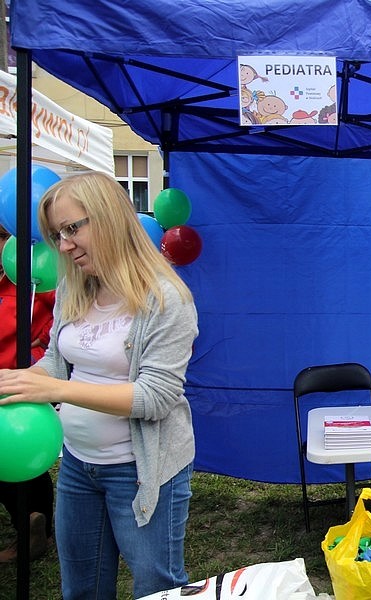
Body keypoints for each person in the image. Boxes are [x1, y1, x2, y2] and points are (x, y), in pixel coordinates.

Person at [0, 172, 199, 599]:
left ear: (109, 218)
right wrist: (17, 382)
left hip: (142, 471)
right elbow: (57, 363)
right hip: (78, 464)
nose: (64, 245)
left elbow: (155, 397)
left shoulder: (167, 299)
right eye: (58, 234)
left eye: (72, 229)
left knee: (156, 588)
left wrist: (57, 392)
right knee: (82, 589)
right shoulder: (75, 285)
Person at [0, 224, 56, 563]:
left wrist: (41, 340)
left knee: (18, 450)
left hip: (23, 381)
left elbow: (66, 315)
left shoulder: (29, 275)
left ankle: (34, 527)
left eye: (1, 238)